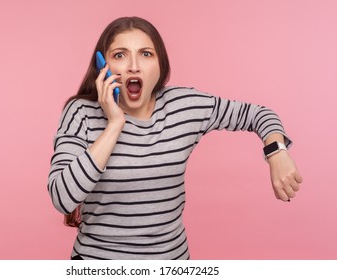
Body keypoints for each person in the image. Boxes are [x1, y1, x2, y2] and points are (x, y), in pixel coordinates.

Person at [47, 16, 303, 260]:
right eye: (120, 55)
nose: (134, 65)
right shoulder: (81, 112)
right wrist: (114, 124)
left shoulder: (184, 105)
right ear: (104, 67)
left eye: (146, 54)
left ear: (161, 66)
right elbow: (62, 198)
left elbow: (257, 114)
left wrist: (276, 151)